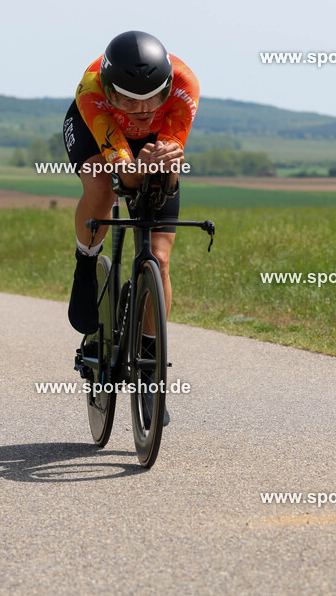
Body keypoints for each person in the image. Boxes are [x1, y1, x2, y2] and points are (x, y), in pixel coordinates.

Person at [61, 31, 199, 421]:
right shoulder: (92, 89)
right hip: (98, 134)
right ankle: (86, 259)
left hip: (155, 145)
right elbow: (122, 167)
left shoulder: (186, 85)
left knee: (160, 255)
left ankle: (151, 363)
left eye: (153, 98)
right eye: (128, 99)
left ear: (168, 87)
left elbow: (169, 158)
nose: (141, 109)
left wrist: (161, 167)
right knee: (104, 185)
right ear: (109, 90)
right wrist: (132, 171)